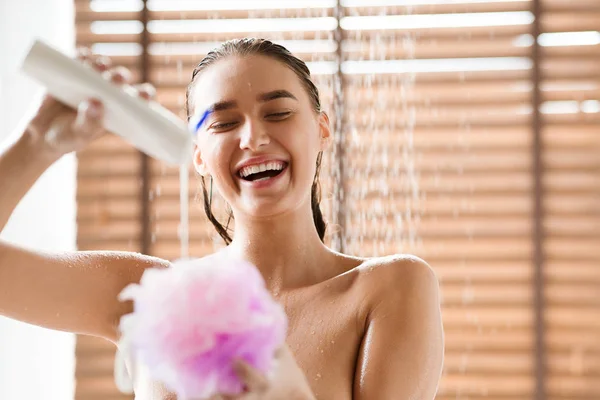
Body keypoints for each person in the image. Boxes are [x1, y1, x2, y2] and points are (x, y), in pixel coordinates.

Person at [0, 38, 444, 399]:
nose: (254, 137)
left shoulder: (389, 289)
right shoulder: (147, 295)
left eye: (279, 113)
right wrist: (35, 146)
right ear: (198, 155)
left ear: (322, 129)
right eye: (223, 123)